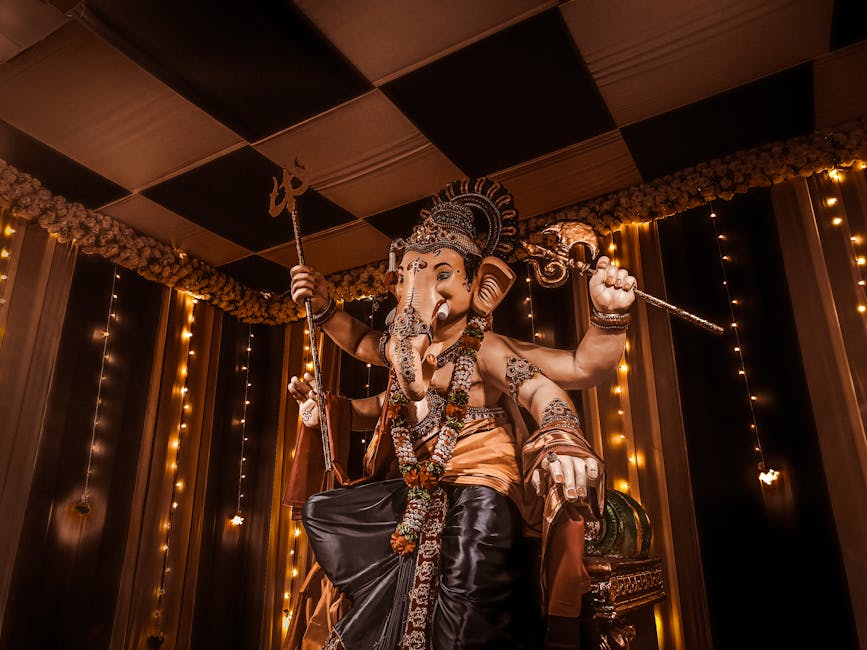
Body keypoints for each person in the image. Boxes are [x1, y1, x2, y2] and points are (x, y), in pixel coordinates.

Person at [283, 178, 635, 649]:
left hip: (482, 482)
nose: (418, 289)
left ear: (484, 287)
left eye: (441, 274)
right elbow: (367, 357)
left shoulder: (485, 350)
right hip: (416, 486)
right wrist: (323, 404)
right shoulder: (405, 348)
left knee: (469, 579)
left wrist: (606, 324)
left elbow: (567, 373)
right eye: (409, 276)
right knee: (325, 512)